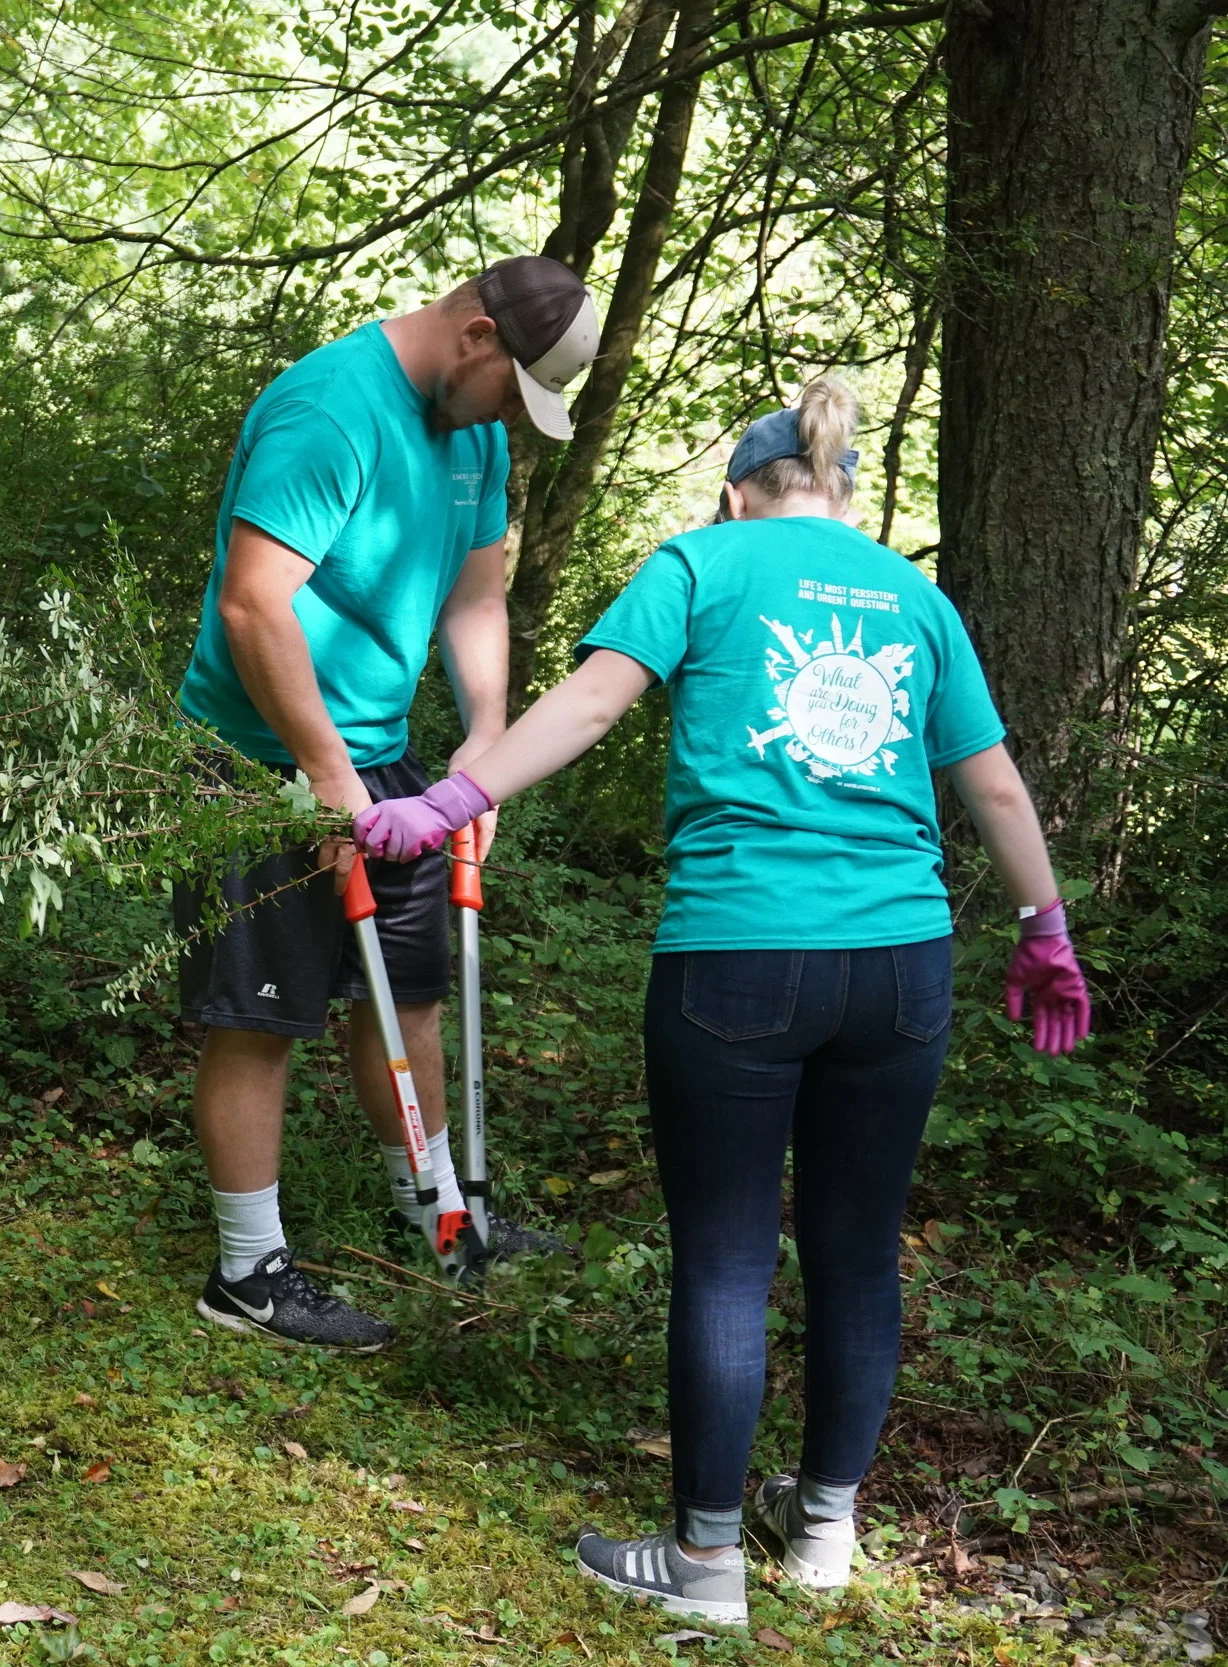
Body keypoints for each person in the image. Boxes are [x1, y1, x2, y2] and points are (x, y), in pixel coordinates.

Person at [356, 377, 1092, 1624]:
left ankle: (703, 1563)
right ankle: (823, 1533)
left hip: (737, 952)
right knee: (859, 1254)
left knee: (727, 1258)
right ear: (843, 493)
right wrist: (1043, 924)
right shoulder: (915, 599)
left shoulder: (698, 563)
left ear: (739, 489)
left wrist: (450, 800)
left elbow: (590, 700)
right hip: (900, 967)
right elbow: (998, 790)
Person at [175, 255, 601, 1351]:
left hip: (385, 754)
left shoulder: (476, 432)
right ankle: (247, 1269)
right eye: (513, 389)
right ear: (474, 337)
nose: (509, 416)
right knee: (258, 1012)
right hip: (259, 755)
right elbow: (252, 602)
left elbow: (475, 593)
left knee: (406, 989)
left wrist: (487, 741)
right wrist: (322, 776)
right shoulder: (331, 408)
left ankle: (441, 1212)